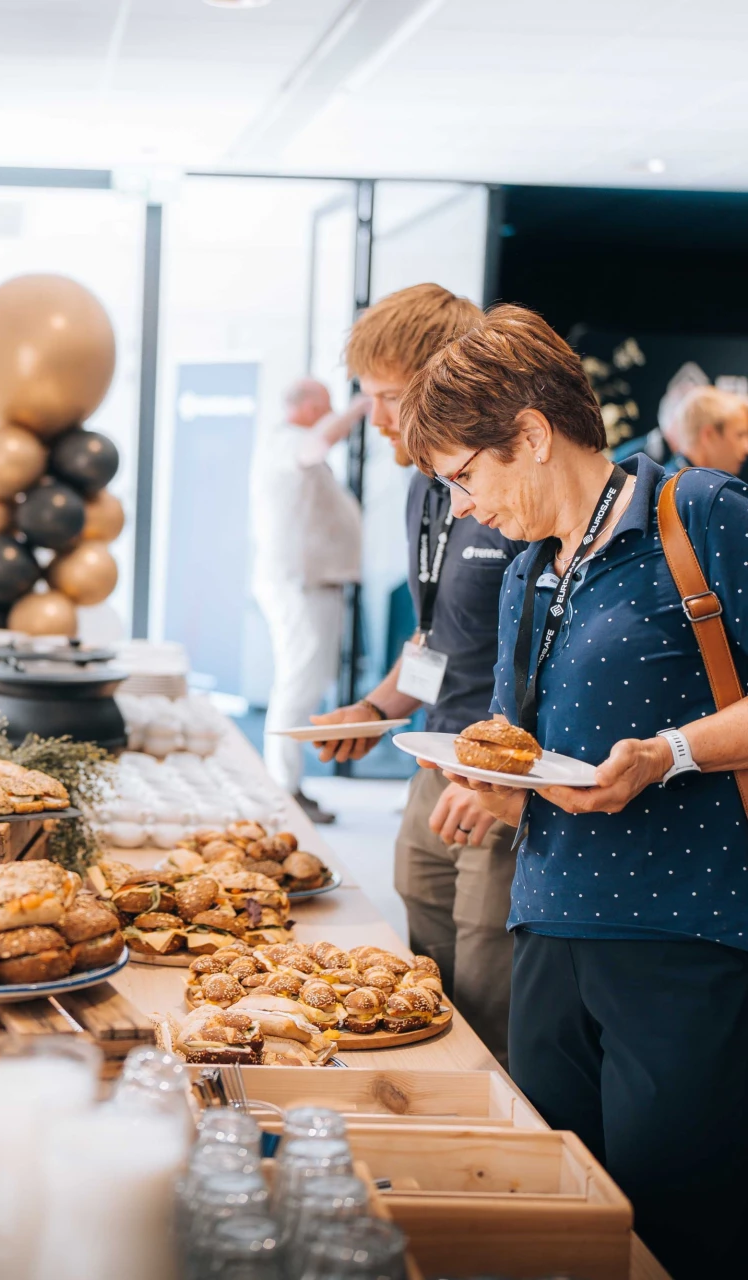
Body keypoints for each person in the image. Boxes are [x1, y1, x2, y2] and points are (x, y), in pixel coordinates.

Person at [400, 303, 748, 1280]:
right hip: (546, 927)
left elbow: (656, 748)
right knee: (557, 1220)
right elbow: (536, 762)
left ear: (530, 432)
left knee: (672, 1226)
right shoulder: (525, 575)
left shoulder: (702, 516)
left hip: (681, 936)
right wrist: (489, 784)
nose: (460, 505)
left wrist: (666, 751)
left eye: (464, 476)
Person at [310, 283, 521, 1065]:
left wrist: (495, 777)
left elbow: (548, 657)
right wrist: (374, 707)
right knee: (425, 985)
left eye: (389, 397)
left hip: (496, 781)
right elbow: (436, 636)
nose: (376, 417)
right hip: (434, 761)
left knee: (487, 997)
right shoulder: (423, 490)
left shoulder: (501, 491)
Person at [250, 378, 368, 824]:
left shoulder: (289, 441)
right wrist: (359, 408)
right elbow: (316, 446)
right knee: (297, 684)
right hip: (299, 584)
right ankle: (282, 787)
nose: (333, 407)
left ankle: (286, 783)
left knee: (303, 682)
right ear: (305, 405)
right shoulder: (287, 441)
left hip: (314, 582)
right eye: (326, 401)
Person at [661, 383, 748, 474]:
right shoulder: (682, 485)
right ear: (709, 435)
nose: (746, 448)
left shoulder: (675, 480)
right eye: (740, 435)